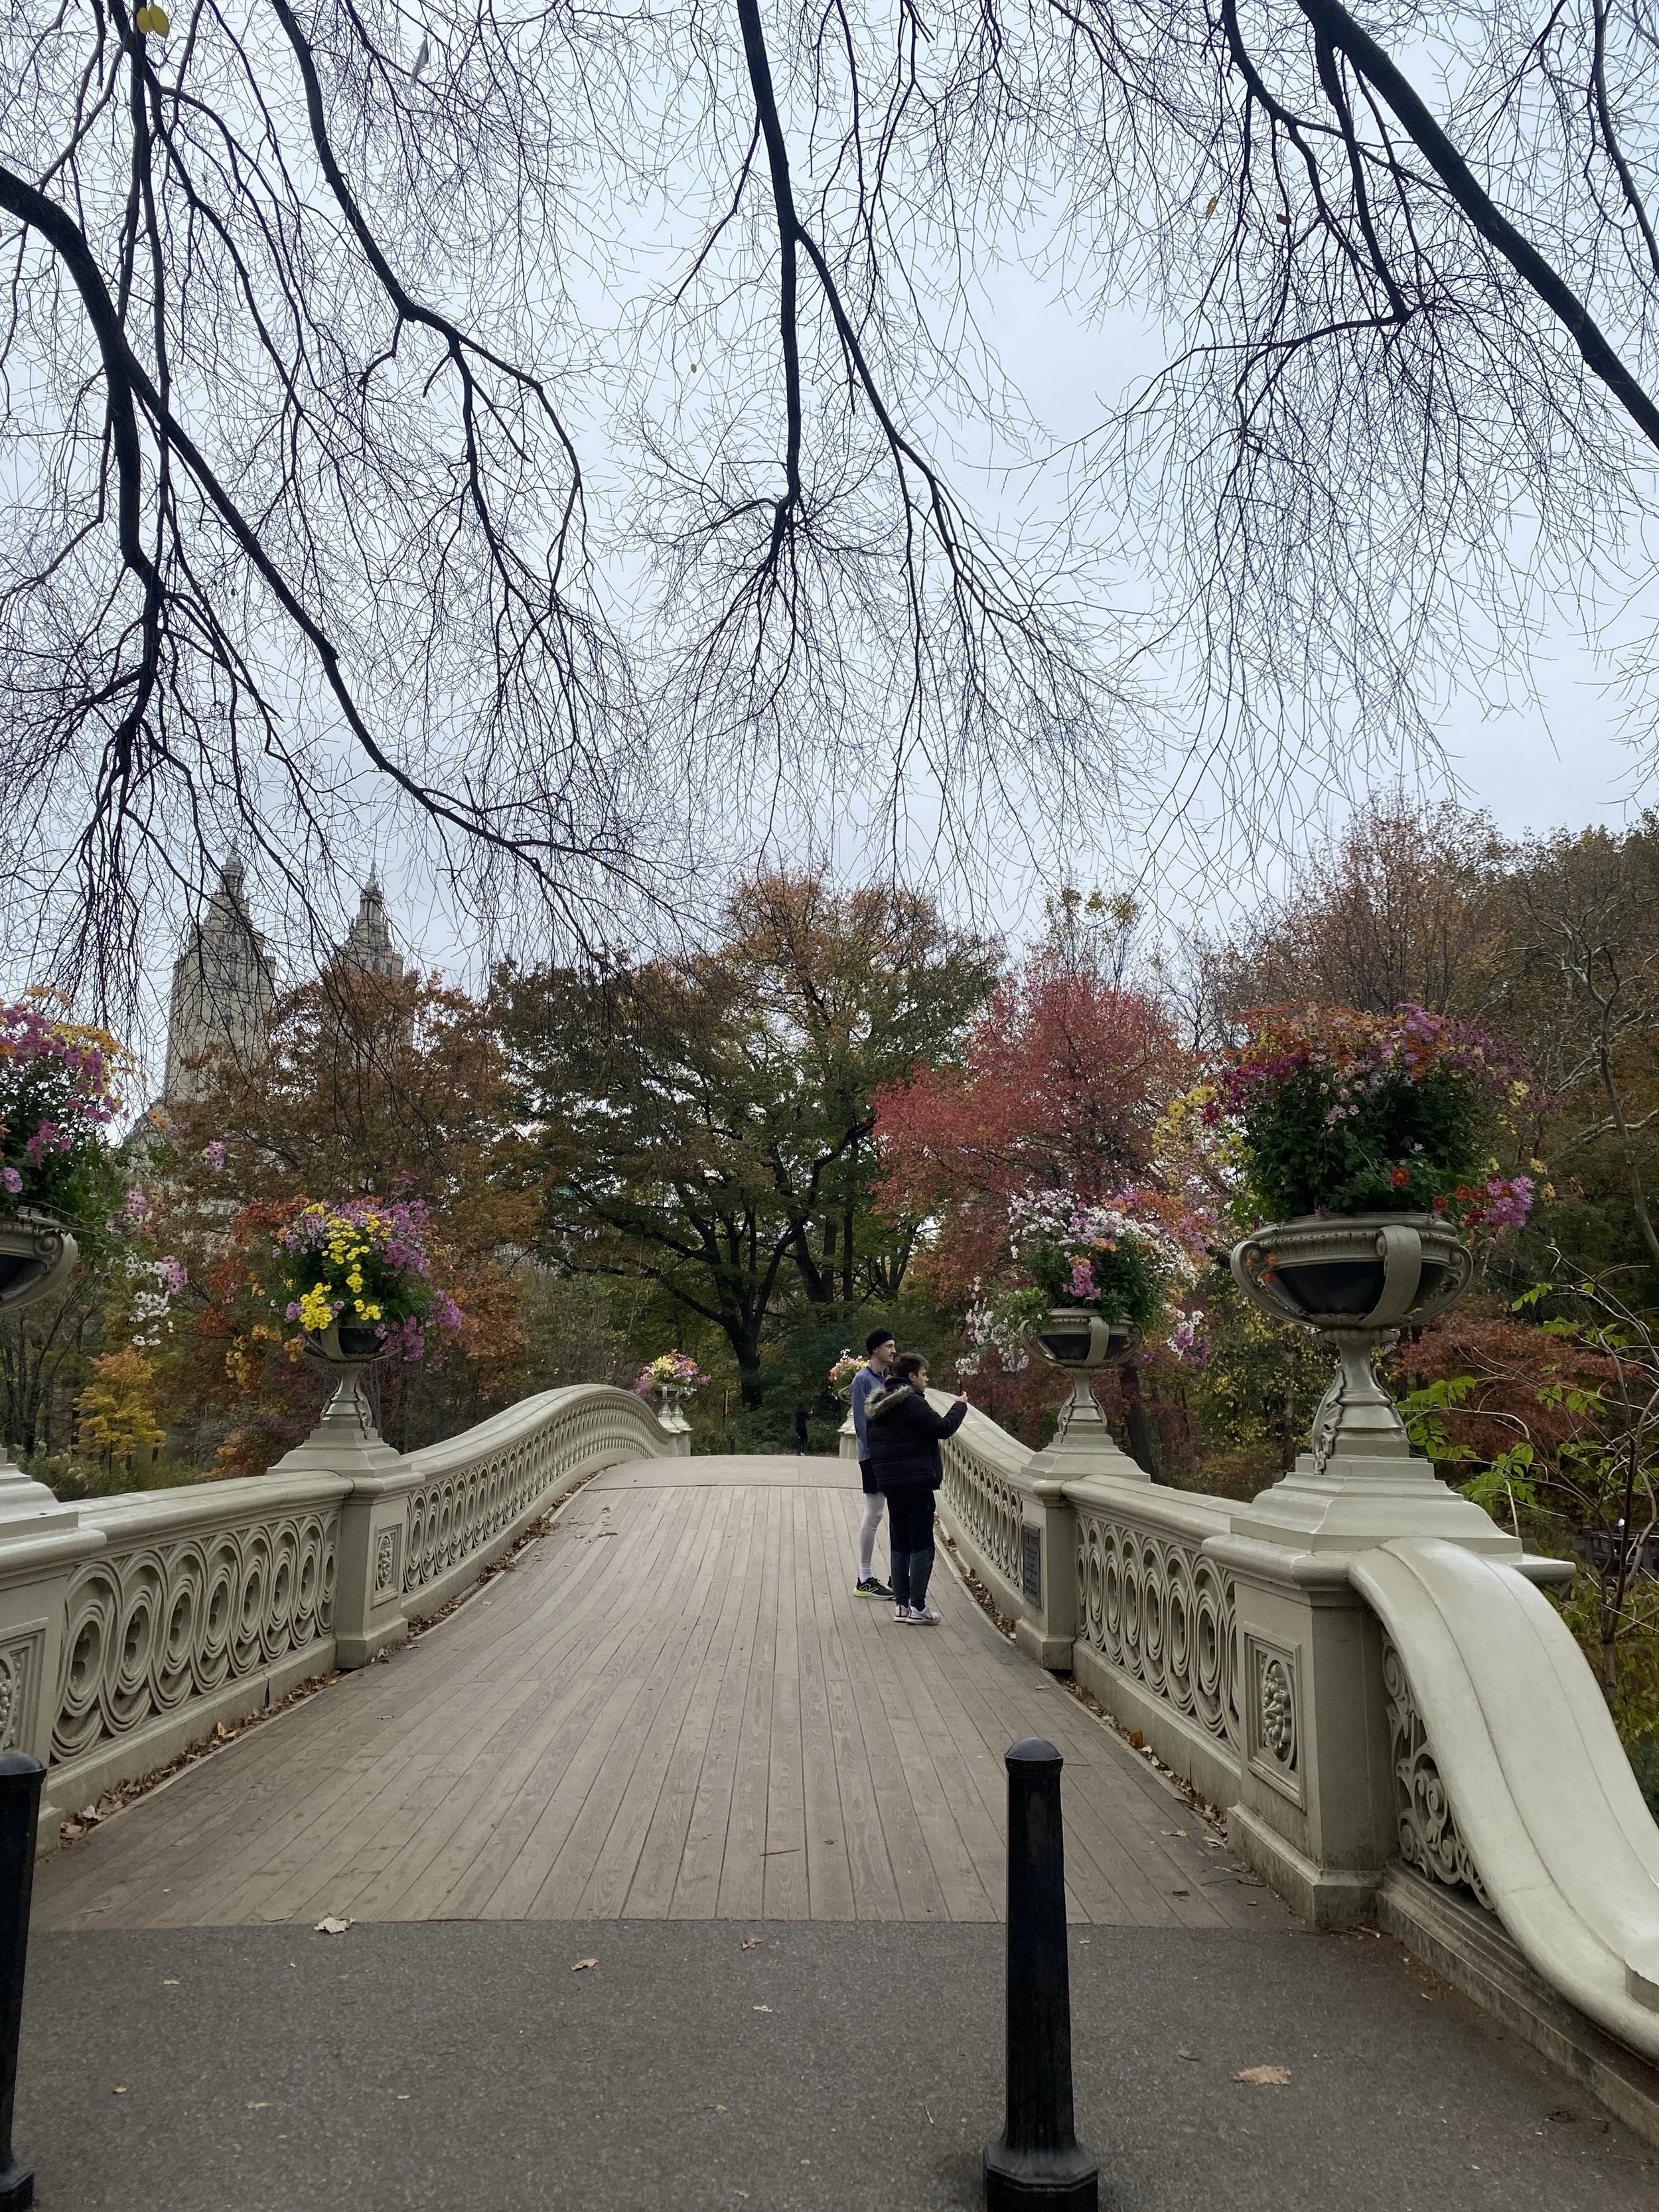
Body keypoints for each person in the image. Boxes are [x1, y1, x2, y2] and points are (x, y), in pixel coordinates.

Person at [864, 1352, 967, 1625]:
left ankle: (901, 1605)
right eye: (923, 1375)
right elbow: (943, 1428)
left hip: (892, 1484)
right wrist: (960, 1407)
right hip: (917, 1483)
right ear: (911, 1377)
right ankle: (918, 1607)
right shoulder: (911, 1402)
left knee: (900, 1543)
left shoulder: (878, 1404)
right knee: (922, 1545)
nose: (926, 1379)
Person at [849, 1329, 897, 1597]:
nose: (893, 1350)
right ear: (875, 1349)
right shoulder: (862, 1380)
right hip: (873, 1457)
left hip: (888, 1455)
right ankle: (865, 1577)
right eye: (889, 1346)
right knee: (875, 1513)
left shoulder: (886, 1378)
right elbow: (861, 1424)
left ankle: (896, 1574)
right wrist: (875, 1455)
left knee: (889, 1512)